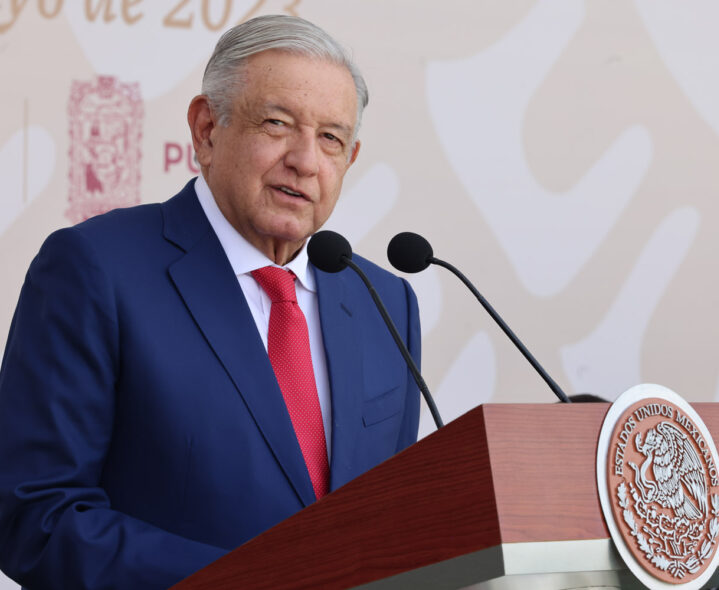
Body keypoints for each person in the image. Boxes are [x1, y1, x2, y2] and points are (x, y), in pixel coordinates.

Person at [0, 15, 421, 589]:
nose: (305, 159)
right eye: (277, 123)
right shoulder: (95, 268)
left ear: (350, 158)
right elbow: (35, 516)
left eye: (330, 138)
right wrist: (252, 580)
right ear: (205, 129)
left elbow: (394, 522)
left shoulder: (386, 302)